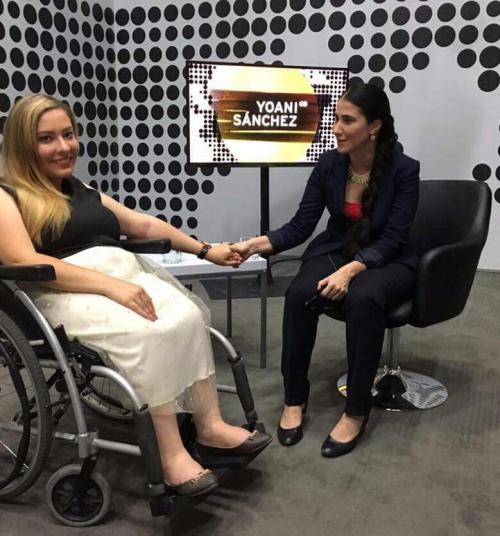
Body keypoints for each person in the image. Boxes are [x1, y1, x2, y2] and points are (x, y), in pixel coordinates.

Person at [0, 94, 271, 496]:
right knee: (149, 332)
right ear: (23, 145)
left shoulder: (80, 188)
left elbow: (142, 225)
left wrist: (205, 249)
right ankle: (171, 455)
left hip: (120, 277)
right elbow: (25, 260)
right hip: (61, 293)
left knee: (189, 315)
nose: (64, 147)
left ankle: (210, 426)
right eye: (46, 138)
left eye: (68, 134)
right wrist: (111, 286)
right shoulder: (7, 196)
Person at [231, 83, 420, 457]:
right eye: (336, 118)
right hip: (338, 247)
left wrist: (350, 272)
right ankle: (294, 399)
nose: (336, 128)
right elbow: (301, 226)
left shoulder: (404, 170)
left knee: (363, 299)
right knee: (299, 294)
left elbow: (394, 238)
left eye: (347, 120)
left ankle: (355, 411)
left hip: (388, 258)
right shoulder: (330, 164)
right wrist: (253, 245)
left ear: (374, 126)